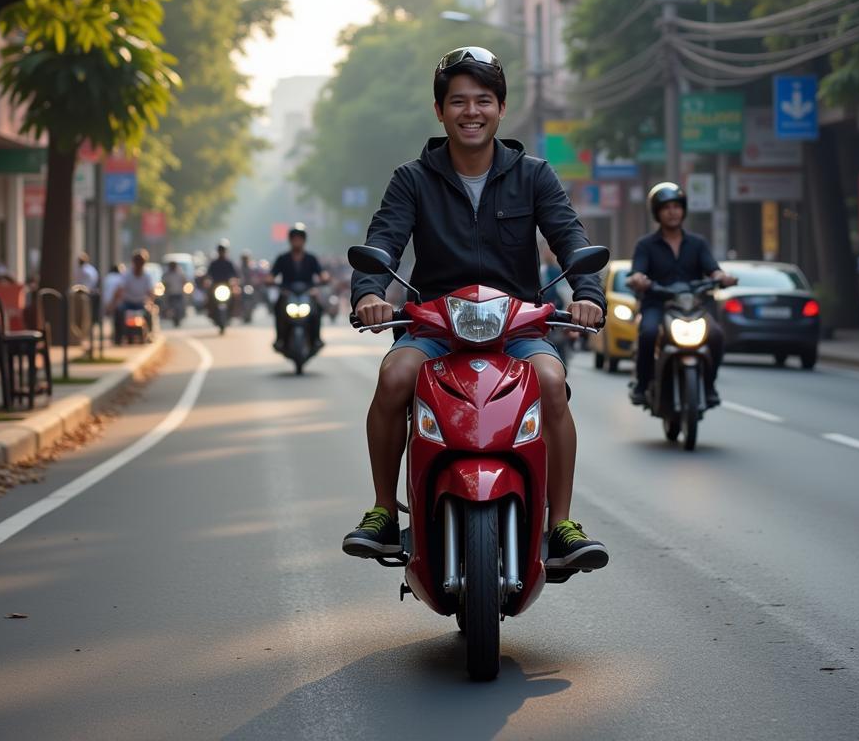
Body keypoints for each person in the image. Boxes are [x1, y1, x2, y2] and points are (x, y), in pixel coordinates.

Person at [343, 45, 609, 572]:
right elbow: (384, 239)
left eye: (483, 100)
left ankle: (561, 523)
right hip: (436, 325)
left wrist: (588, 296)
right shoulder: (411, 179)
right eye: (458, 101)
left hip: (516, 326)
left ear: (501, 109)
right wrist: (369, 292)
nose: (471, 112)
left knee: (552, 382)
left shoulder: (535, 175)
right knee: (395, 375)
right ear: (439, 111)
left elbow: (570, 238)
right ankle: (381, 509)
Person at [626, 183, 736, 408]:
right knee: (647, 333)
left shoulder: (697, 243)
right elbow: (637, 271)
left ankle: (709, 385)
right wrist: (637, 278)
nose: (672, 211)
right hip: (658, 304)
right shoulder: (645, 245)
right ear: (657, 212)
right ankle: (642, 384)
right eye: (666, 207)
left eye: (677, 206)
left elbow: (712, 269)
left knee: (716, 335)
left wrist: (722, 276)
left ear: (684, 210)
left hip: (692, 306)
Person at [269, 224, 329, 353]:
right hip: (287, 293)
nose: (297, 241)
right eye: (294, 238)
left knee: (318, 307)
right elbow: (271, 275)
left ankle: (316, 338)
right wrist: (269, 280)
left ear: (304, 240)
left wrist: (324, 279)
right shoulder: (282, 258)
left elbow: (322, 274)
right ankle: (279, 339)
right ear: (290, 240)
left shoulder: (311, 258)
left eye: (300, 238)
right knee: (277, 307)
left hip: (308, 293)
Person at [113, 250, 155, 337]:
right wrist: (114, 302)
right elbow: (120, 289)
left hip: (141, 303)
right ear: (133, 262)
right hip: (127, 303)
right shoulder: (126, 275)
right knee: (118, 311)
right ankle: (118, 336)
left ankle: (149, 334)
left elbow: (150, 291)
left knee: (149, 313)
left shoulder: (147, 276)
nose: (139, 264)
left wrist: (150, 302)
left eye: (141, 262)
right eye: (137, 261)